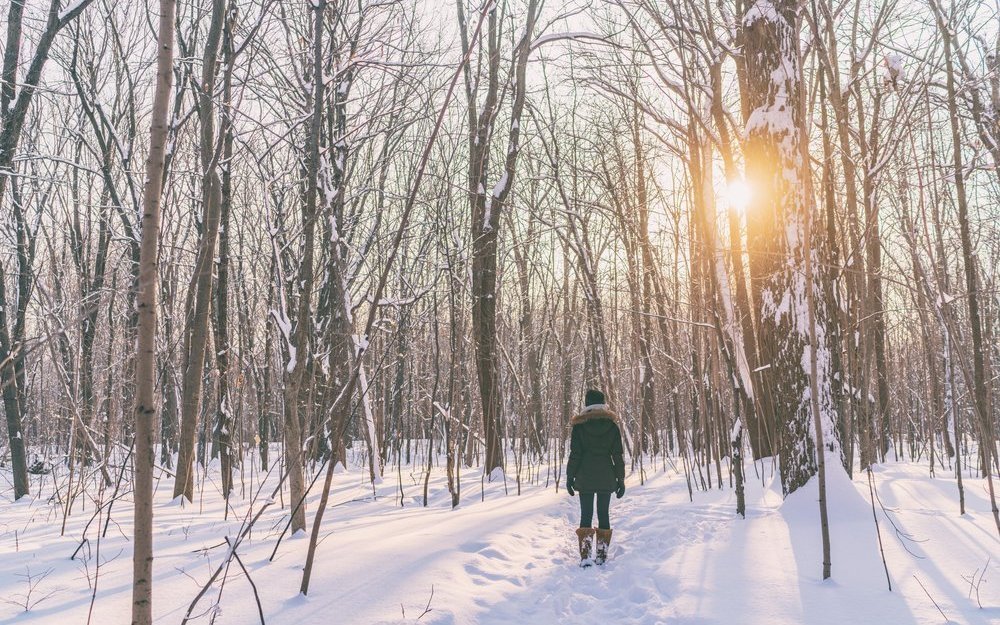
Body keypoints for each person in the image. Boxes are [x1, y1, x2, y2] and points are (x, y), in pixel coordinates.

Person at [565, 389, 625, 566]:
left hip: (585, 476)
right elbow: (617, 455)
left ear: (587, 404)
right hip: (607, 476)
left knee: (586, 514)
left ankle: (585, 556)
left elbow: (575, 454)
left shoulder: (579, 426)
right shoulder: (612, 426)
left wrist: (570, 477)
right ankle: (601, 555)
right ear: (603, 404)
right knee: (603, 513)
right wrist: (620, 479)